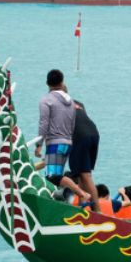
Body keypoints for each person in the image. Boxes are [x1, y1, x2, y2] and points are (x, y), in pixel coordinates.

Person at [34, 69, 89, 202]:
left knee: (53, 177)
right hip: (67, 142)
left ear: (47, 83)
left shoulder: (46, 100)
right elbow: (72, 122)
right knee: (56, 176)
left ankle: (82, 194)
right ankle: (68, 198)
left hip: (55, 143)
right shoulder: (70, 101)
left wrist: (39, 145)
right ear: (62, 82)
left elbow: (44, 123)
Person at [68, 97, 100, 211]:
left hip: (79, 136)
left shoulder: (57, 105)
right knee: (82, 175)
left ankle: (98, 211)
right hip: (93, 132)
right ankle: (83, 207)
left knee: (84, 175)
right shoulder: (79, 103)